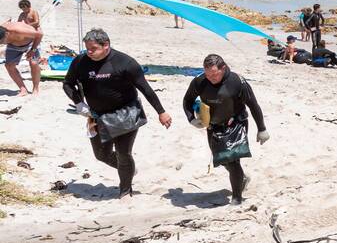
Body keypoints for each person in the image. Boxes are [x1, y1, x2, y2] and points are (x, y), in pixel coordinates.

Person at [62, 28, 173, 198]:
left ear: (106, 45)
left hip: (126, 113)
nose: (89, 52)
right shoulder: (80, 61)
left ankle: (125, 191)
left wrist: (161, 112)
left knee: (123, 153)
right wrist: (79, 103)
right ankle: (129, 169)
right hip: (96, 115)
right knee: (101, 155)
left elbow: (145, 89)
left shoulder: (125, 62)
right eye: (87, 48)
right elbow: (68, 84)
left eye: (93, 49)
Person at [182, 54, 269, 205]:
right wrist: (191, 119)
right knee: (222, 159)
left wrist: (262, 129)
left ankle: (237, 198)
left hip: (236, 123)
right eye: (208, 74)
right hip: (213, 126)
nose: (211, 78)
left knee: (233, 160)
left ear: (223, 68)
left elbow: (253, 105)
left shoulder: (237, 82)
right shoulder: (199, 81)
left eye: (214, 74)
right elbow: (187, 100)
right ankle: (241, 179)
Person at [2, 15, 43, 96]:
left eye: (2, 41)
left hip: (31, 43)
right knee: (9, 66)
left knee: (34, 63)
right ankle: (23, 89)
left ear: (7, 34)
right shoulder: (2, 30)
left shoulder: (19, 30)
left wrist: (33, 50)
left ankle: (35, 88)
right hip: (13, 45)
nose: (2, 43)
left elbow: (40, 34)